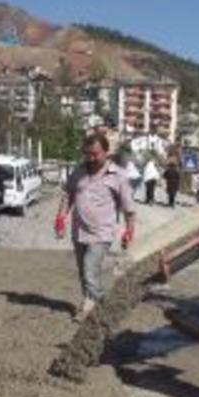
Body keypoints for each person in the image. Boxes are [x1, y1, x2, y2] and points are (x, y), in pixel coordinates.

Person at [55, 134, 135, 321]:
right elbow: (68, 196)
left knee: (90, 268)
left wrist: (129, 230)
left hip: (102, 233)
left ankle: (97, 307)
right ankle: (90, 302)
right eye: (87, 154)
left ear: (106, 153)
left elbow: (129, 207)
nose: (90, 158)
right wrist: (60, 219)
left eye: (95, 154)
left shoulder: (118, 176)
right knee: (83, 271)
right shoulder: (78, 172)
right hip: (79, 231)